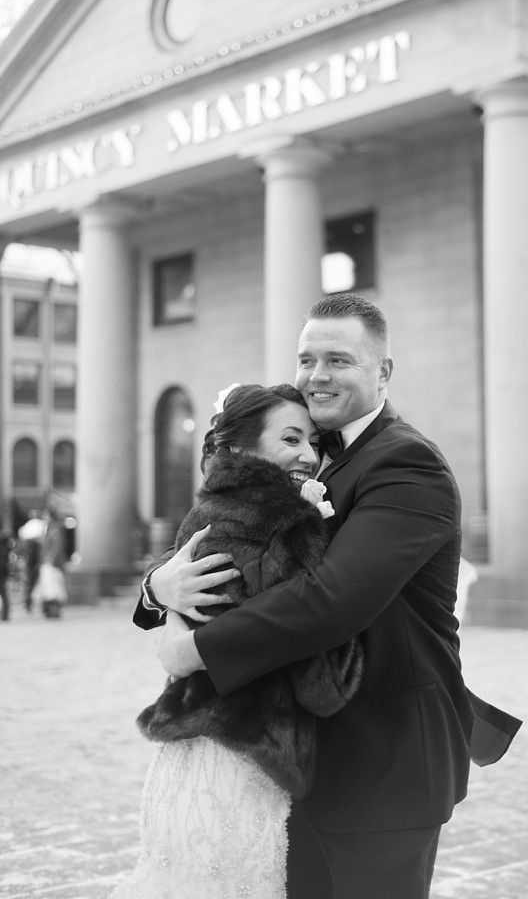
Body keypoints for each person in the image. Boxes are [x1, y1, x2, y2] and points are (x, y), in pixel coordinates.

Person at [136, 293, 521, 899]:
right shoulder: (307, 458)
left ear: (383, 373)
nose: (317, 375)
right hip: (308, 760)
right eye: (307, 358)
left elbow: (335, 599)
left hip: (384, 757)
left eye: (338, 360)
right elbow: (232, 531)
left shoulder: (406, 463)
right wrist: (157, 587)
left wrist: (197, 650)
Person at [117, 383, 363, 899]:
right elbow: (322, 681)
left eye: (314, 443)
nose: (308, 455)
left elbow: (186, 590)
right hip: (251, 755)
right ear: (242, 448)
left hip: (185, 752)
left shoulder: (205, 513)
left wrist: (160, 595)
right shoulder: (290, 527)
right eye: (291, 439)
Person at [0, 530, 13, 621]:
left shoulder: (3, 547)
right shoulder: (6, 545)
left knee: (4, 593)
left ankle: (5, 615)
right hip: (3, 572)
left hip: (2, 572)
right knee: (4, 593)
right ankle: (5, 615)